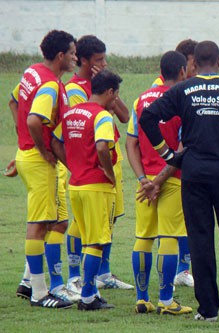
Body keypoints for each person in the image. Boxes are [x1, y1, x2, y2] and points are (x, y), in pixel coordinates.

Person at [139, 40, 219, 321]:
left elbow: (148, 118)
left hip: (193, 174)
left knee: (200, 241)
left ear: (194, 64)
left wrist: (169, 155)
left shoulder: (182, 90)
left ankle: (208, 311)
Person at [64, 35, 133, 292]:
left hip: (108, 159)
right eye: (98, 60)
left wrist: (110, 89)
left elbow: (124, 116)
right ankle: (75, 277)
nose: (103, 64)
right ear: (84, 60)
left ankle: (103, 274)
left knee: (108, 219)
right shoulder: (75, 89)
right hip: (91, 164)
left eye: (105, 59)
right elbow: (83, 129)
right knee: (82, 224)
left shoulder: (103, 84)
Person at [126, 50, 192, 314]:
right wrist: (160, 179)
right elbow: (182, 146)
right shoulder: (183, 100)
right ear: (181, 72)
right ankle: (166, 300)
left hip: (144, 185)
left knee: (143, 237)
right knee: (169, 238)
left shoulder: (140, 100)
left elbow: (130, 142)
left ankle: (142, 299)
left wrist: (143, 179)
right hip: (172, 180)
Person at [15, 29, 77, 308]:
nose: (76, 58)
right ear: (61, 55)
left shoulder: (32, 72)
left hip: (26, 154)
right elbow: (33, 121)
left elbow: (14, 101)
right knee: (39, 226)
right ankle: (39, 294)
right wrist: (40, 149)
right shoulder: (50, 84)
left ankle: (28, 282)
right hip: (38, 161)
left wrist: (24, 144)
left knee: (51, 222)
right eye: (73, 53)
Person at [52, 69, 123, 310]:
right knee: (97, 241)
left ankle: (88, 292)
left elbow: (54, 141)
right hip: (96, 186)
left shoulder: (71, 113)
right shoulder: (102, 117)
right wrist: (109, 173)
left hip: (76, 184)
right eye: (115, 96)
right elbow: (103, 147)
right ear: (110, 92)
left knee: (83, 234)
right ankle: (88, 297)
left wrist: (72, 165)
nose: (115, 101)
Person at [151, 39, 198, 289]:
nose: (197, 67)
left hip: (162, 170)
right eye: (193, 63)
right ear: (183, 64)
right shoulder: (168, 92)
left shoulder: (188, 87)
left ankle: (183, 268)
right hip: (169, 170)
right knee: (170, 227)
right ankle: (169, 284)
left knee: (182, 221)